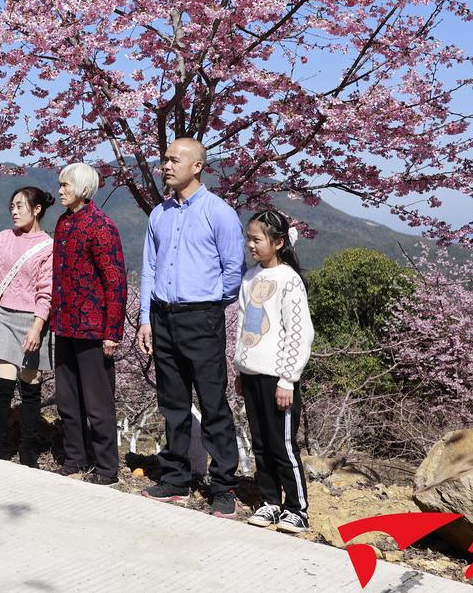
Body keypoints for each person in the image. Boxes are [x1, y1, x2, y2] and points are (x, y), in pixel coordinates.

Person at [136, 138, 245, 517]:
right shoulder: (159, 214)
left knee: (213, 403)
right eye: (164, 159)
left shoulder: (220, 213)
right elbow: (149, 268)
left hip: (201, 316)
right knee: (174, 403)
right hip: (162, 315)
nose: (165, 165)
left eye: (174, 160)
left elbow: (234, 269)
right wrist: (145, 318)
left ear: (197, 166)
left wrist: (211, 303)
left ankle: (224, 486)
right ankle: (175, 479)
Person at [236, 209, 314, 534]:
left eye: (257, 239)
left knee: (282, 444)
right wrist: (240, 368)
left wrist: (288, 379)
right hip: (252, 374)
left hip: (277, 377)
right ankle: (270, 501)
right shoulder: (250, 276)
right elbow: (242, 324)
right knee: (260, 442)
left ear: (278, 242)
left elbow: (299, 332)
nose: (251, 245)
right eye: (249, 239)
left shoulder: (288, 280)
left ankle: (298, 508)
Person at [50, 162, 128, 484]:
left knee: (98, 404)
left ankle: (107, 469)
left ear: (82, 188)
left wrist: (112, 332)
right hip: (64, 325)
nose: (60, 191)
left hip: (94, 330)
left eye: (65, 185)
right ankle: (75, 459)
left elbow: (116, 282)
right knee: (67, 399)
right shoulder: (63, 224)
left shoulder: (101, 227)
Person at [0, 186, 56, 465]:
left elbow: (46, 291)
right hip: (4, 316)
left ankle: (28, 453)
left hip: (32, 321)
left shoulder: (47, 245)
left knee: (31, 388)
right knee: (3, 387)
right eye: (12, 207)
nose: (14, 212)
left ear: (37, 209)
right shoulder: (4, 239)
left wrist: (37, 327)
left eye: (20, 206)